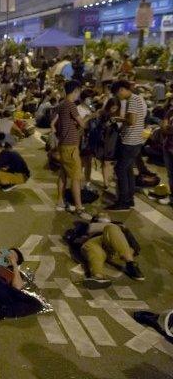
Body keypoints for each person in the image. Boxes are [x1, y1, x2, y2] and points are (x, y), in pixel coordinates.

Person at [64, 213, 144, 289]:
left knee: (111, 228)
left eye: (106, 214)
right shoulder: (85, 227)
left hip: (116, 248)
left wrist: (129, 251)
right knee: (91, 245)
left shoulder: (117, 226)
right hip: (95, 246)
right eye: (101, 214)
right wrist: (81, 238)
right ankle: (98, 277)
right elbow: (70, 238)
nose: (105, 214)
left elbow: (135, 246)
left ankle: (131, 264)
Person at [52, 80, 90, 219]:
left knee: (63, 173)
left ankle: (60, 201)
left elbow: (57, 124)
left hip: (63, 144)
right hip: (70, 146)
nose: (78, 95)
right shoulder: (71, 105)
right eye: (78, 92)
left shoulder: (61, 104)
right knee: (75, 177)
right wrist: (91, 116)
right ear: (75, 91)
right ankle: (79, 207)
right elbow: (83, 124)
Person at [108, 80, 148, 211]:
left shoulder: (133, 100)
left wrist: (120, 119)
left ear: (121, 90)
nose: (117, 97)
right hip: (135, 141)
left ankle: (123, 201)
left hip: (130, 141)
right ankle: (129, 199)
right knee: (128, 170)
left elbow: (132, 121)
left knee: (120, 169)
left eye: (116, 94)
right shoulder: (137, 99)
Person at [162, 103, 173, 206]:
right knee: (170, 175)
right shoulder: (170, 111)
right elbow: (164, 128)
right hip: (168, 147)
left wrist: (168, 128)